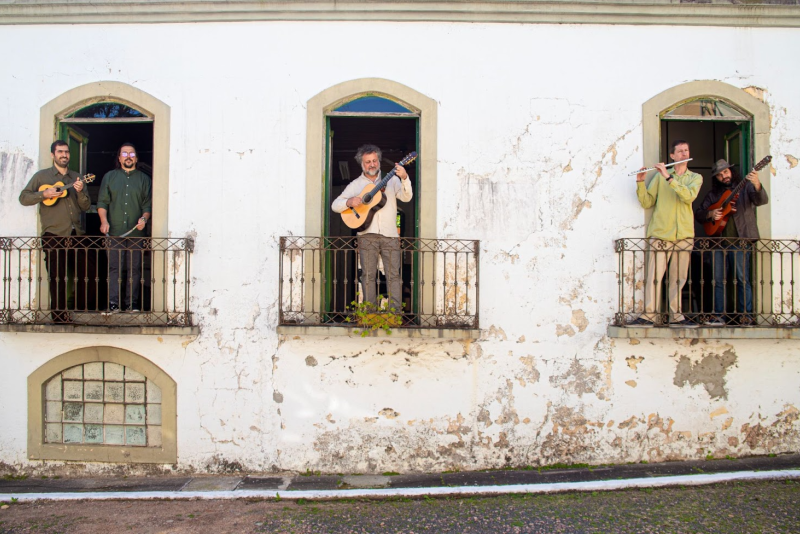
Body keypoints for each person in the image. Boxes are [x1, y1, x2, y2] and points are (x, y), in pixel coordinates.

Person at [630, 140, 702, 328]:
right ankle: (649, 315)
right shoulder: (660, 178)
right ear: (672, 156)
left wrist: (670, 179)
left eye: (686, 150)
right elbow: (647, 202)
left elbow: (688, 196)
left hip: (684, 234)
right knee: (654, 276)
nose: (684, 154)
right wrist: (640, 182)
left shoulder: (695, 177)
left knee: (678, 278)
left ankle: (676, 316)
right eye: (680, 151)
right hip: (661, 233)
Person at [331, 144, 412, 311]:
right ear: (362, 164)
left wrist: (404, 178)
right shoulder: (355, 185)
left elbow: (407, 197)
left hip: (390, 235)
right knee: (368, 276)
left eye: (374, 160)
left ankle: (394, 314)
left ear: (379, 162)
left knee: (394, 276)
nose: (372, 164)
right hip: (367, 235)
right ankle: (370, 313)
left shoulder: (392, 180)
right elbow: (335, 205)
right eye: (368, 162)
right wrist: (349, 202)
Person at [19, 140, 92, 323]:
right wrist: (43, 194)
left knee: (86, 272)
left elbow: (85, 205)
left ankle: (82, 309)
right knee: (57, 276)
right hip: (54, 234)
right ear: (53, 155)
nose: (64, 155)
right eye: (60, 152)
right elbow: (24, 198)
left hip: (76, 232)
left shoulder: (77, 177)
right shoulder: (42, 177)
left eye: (67, 152)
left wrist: (81, 191)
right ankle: (59, 315)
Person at [694, 159, 768, 326]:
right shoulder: (713, 195)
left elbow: (761, 200)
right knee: (718, 280)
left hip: (740, 241)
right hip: (718, 243)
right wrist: (711, 214)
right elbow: (699, 214)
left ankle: (745, 316)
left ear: (731, 172)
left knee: (742, 279)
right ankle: (719, 316)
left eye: (725, 172)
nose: (723, 176)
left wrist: (756, 183)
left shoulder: (746, 187)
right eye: (719, 175)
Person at [97, 143, 152, 313]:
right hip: (114, 232)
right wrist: (104, 221)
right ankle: (114, 303)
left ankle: (131, 304)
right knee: (115, 268)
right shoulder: (109, 177)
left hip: (136, 233)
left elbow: (147, 206)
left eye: (132, 154)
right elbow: (102, 202)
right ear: (119, 157)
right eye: (125, 153)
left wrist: (144, 219)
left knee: (134, 269)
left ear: (136, 157)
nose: (128, 156)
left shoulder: (144, 179)